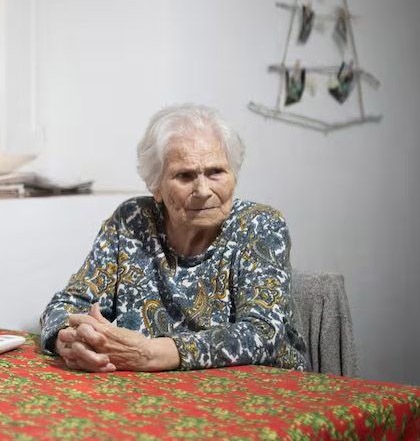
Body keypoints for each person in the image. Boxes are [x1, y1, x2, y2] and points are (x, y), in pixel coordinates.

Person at [40, 104, 306, 372]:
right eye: (184, 176)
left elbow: (263, 333)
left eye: (215, 172)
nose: (203, 190)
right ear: (156, 185)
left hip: (258, 391)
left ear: (233, 175)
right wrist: (71, 340)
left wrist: (151, 354)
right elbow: (68, 304)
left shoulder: (259, 225)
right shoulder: (132, 221)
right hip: (150, 392)